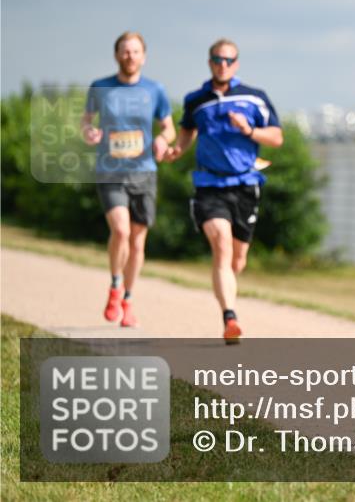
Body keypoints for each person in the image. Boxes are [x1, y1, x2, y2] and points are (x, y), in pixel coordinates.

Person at [163, 38, 283, 344]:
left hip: (245, 185)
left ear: (237, 64)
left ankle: (226, 291)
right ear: (210, 62)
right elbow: (187, 132)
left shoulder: (255, 98)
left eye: (229, 60)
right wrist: (177, 148)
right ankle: (230, 317)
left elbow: (276, 138)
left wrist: (249, 130)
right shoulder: (196, 100)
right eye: (218, 59)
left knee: (237, 260)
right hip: (209, 185)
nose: (223, 65)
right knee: (221, 244)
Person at [81, 31, 175, 328]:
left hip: (144, 172)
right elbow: (86, 122)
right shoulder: (100, 87)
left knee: (137, 242)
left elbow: (169, 128)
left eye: (135, 51)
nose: (129, 56)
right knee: (120, 231)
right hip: (110, 171)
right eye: (124, 51)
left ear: (143, 57)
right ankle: (115, 286)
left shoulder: (155, 90)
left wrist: (162, 140)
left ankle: (129, 300)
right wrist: (90, 133)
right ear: (116, 55)